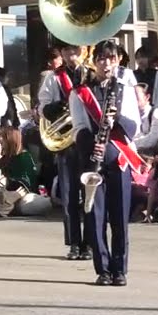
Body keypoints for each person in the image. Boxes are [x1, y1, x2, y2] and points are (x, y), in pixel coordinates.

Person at [72, 41, 141, 286]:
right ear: (94, 61)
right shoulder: (80, 92)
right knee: (94, 215)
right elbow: (78, 128)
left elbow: (135, 127)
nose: (106, 63)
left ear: (118, 60)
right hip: (93, 161)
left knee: (120, 216)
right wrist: (92, 144)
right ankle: (103, 269)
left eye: (111, 58)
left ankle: (119, 268)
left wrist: (116, 118)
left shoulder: (124, 88)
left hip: (119, 160)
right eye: (101, 58)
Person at [38, 41, 92, 261]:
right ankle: (74, 243)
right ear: (61, 53)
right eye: (67, 50)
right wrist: (60, 105)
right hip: (66, 143)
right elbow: (43, 107)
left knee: (89, 194)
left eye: (76, 50)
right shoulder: (53, 77)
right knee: (69, 195)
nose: (72, 54)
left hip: (87, 141)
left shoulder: (90, 74)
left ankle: (89, 242)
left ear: (83, 50)